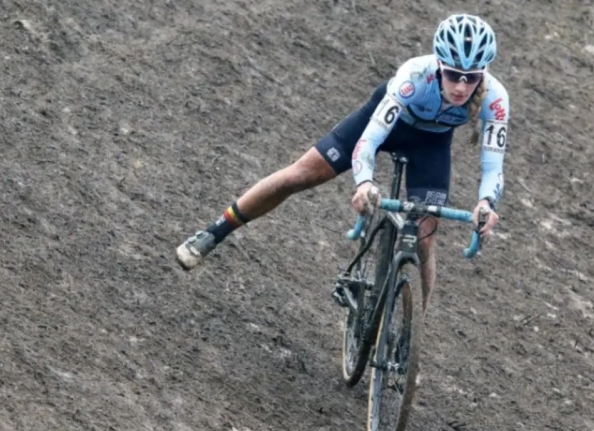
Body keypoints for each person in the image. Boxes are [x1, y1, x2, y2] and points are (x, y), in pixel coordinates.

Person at [176, 14, 510, 312]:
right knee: (300, 175)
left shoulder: (495, 99)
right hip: (386, 127)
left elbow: (493, 165)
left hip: (431, 145)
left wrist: (486, 202)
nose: (462, 86)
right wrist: (364, 182)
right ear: (439, 66)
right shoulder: (414, 77)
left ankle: (412, 337)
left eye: (472, 77)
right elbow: (369, 141)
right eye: (453, 75)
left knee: (426, 235)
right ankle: (213, 233)